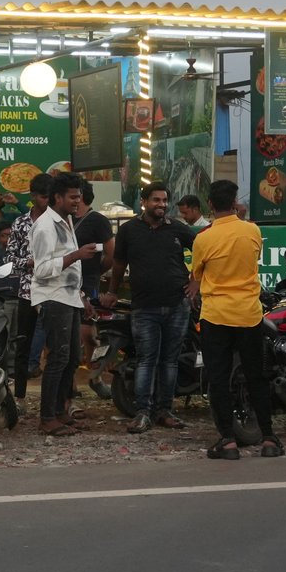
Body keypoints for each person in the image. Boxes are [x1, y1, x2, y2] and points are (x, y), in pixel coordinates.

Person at [192, 179, 281, 460]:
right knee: (256, 376)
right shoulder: (252, 231)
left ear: (209, 204)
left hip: (215, 315)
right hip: (248, 314)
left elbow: (197, 273)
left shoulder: (203, 238)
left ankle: (228, 441)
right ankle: (268, 438)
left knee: (218, 379)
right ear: (234, 203)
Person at [105, 182, 197, 433]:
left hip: (177, 305)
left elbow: (205, 252)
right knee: (146, 360)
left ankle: (165, 411)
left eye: (165, 200)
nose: (161, 205)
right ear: (144, 202)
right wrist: (112, 291)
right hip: (144, 307)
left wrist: (196, 281)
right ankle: (142, 413)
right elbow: (118, 263)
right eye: (156, 200)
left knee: (170, 361)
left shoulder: (178, 228)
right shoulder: (129, 230)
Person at [30, 172, 97, 436]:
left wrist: (81, 296)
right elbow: (41, 270)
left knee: (71, 359)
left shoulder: (65, 220)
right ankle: (47, 418)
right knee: (58, 358)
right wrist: (77, 255)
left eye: (79, 197)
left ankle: (60, 412)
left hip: (68, 297)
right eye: (73, 197)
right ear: (57, 197)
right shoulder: (45, 226)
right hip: (52, 297)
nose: (77, 201)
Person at [2, 173, 54, 402]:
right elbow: (9, 258)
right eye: (43, 197)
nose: (48, 201)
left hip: (54, 291)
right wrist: (29, 262)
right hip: (27, 291)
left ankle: (57, 399)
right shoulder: (20, 223)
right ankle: (20, 398)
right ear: (33, 196)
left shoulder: (59, 222)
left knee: (56, 347)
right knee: (23, 345)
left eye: (51, 197)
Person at [73, 180, 114, 386]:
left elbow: (111, 253)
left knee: (87, 332)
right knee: (69, 334)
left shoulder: (97, 220)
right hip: (67, 281)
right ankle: (71, 383)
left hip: (88, 282)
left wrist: (97, 272)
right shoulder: (64, 218)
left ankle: (94, 375)